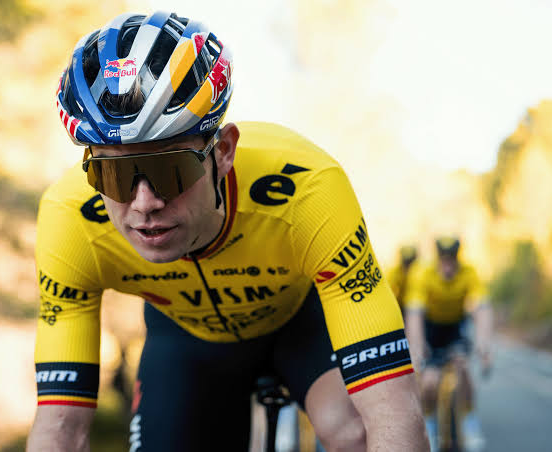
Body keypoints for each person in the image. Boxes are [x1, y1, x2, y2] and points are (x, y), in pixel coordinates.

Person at [27, 11, 428, 452]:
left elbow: (394, 411)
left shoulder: (308, 188)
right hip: (186, 341)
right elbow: (61, 430)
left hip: (300, 323)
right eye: (113, 175)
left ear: (223, 151)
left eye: (170, 170)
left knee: (355, 433)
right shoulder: (71, 219)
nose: (144, 203)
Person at [405, 237, 493, 451]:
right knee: (429, 382)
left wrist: (484, 346)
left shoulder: (469, 272)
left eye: (451, 261)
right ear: (438, 259)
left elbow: (482, 310)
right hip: (431, 329)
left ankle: (470, 420)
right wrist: (416, 348)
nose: (447, 266)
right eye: (443, 261)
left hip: (455, 327)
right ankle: (429, 425)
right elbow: (415, 314)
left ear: (457, 259)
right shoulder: (422, 273)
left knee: (463, 368)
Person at [387, 244, 418, 314]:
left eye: (410, 263)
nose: (408, 267)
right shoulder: (393, 273)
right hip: (397, 305)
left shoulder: (420, 273)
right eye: (406, 263)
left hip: (412, 306)